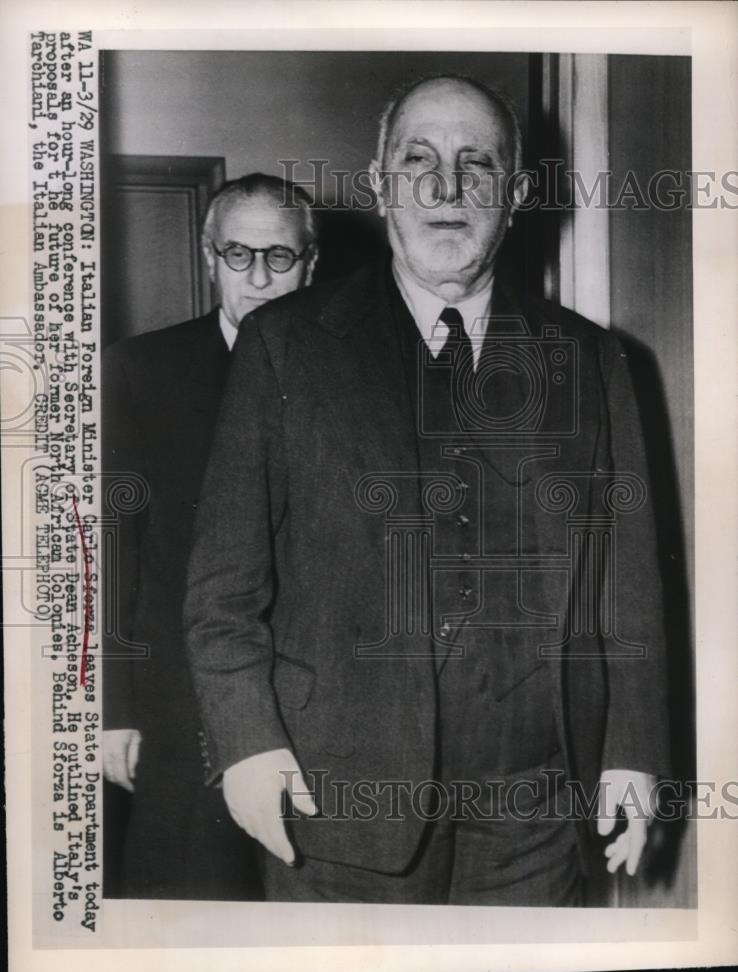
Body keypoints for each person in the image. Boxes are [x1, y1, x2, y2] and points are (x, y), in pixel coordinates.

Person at [184, 76, 670, 905]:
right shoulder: (284, 346)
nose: (447, 189)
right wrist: (247, 744)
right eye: (418, 161)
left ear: (516, 195)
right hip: (332, 803)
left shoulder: (594, 358)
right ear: (379, 186)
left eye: (476, 164)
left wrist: (633, 749)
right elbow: (224, 588)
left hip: (536, 814)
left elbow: (629, 580)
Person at [102, 172, 318, 899]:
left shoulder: (350, 377)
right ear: (208, 255)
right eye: (238, 254)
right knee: (190, 909)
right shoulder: (140, 371)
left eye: (280, 258)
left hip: (313, 707)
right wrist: (115, 710)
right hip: (178, 705)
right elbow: (114, 552)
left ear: (311, 263)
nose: (258, 277)